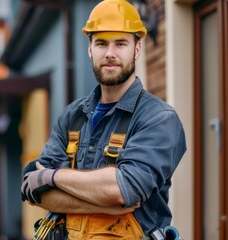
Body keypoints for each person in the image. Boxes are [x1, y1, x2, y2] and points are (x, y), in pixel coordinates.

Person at [20, 0, 187, 239]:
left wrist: (51, 176)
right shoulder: (72, 116)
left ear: (137, 49)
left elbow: (123, 189)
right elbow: (33, 188)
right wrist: (102, 205)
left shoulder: (158, 119)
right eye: (101, 43)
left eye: (120, 43)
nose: (110, 53)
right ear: (89, 49)